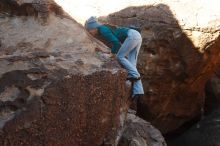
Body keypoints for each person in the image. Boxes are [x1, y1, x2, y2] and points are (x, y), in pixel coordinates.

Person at [85, 16, 144, 102]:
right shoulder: (103, 29)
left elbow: (116, 43)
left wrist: (111, 54)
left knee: (120, 56)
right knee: (132, 64)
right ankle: (138, 91)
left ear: (93, 27)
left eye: (89, 30)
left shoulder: (103, 29)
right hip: (137, 36)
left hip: (132, 36)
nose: (89, 32)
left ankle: (135, 76)